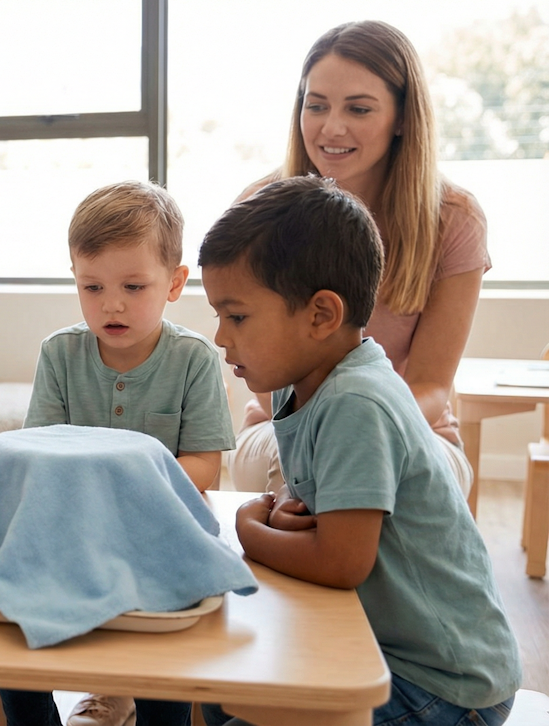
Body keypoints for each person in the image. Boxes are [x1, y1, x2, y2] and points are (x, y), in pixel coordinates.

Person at [199, 175, 519, 726]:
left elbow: (341, 562)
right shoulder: (301, 380)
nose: (221, 337)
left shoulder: (356, 401)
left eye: (238, 316)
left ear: (322, 314)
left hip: (444, 685)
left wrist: (250, 531)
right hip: (383, 651)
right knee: (214, 695)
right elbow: (319, 522)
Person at [0, 180, 235, 726]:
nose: (112, 304)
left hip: (163, 531)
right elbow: (38, 452)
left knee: (162, 639)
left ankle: (142, 700)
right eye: (92, 287)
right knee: (7, 625)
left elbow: (204, 468)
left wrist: (128, 488)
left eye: (133, 286)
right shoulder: (60, 353)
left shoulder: (194, 359)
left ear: (175, 283)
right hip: (73, 528)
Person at [229, 20, 489, 499]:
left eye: (359, 108)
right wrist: (330, 438)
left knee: (395, 483)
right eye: (317, 105)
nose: (331, 127)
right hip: (280, 426)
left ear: (403, 117)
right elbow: (255, 371)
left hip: (413, 427)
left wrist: (360, 434)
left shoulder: (453, 220)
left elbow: (431, 385)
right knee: (304, 481)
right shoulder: (261, 206)